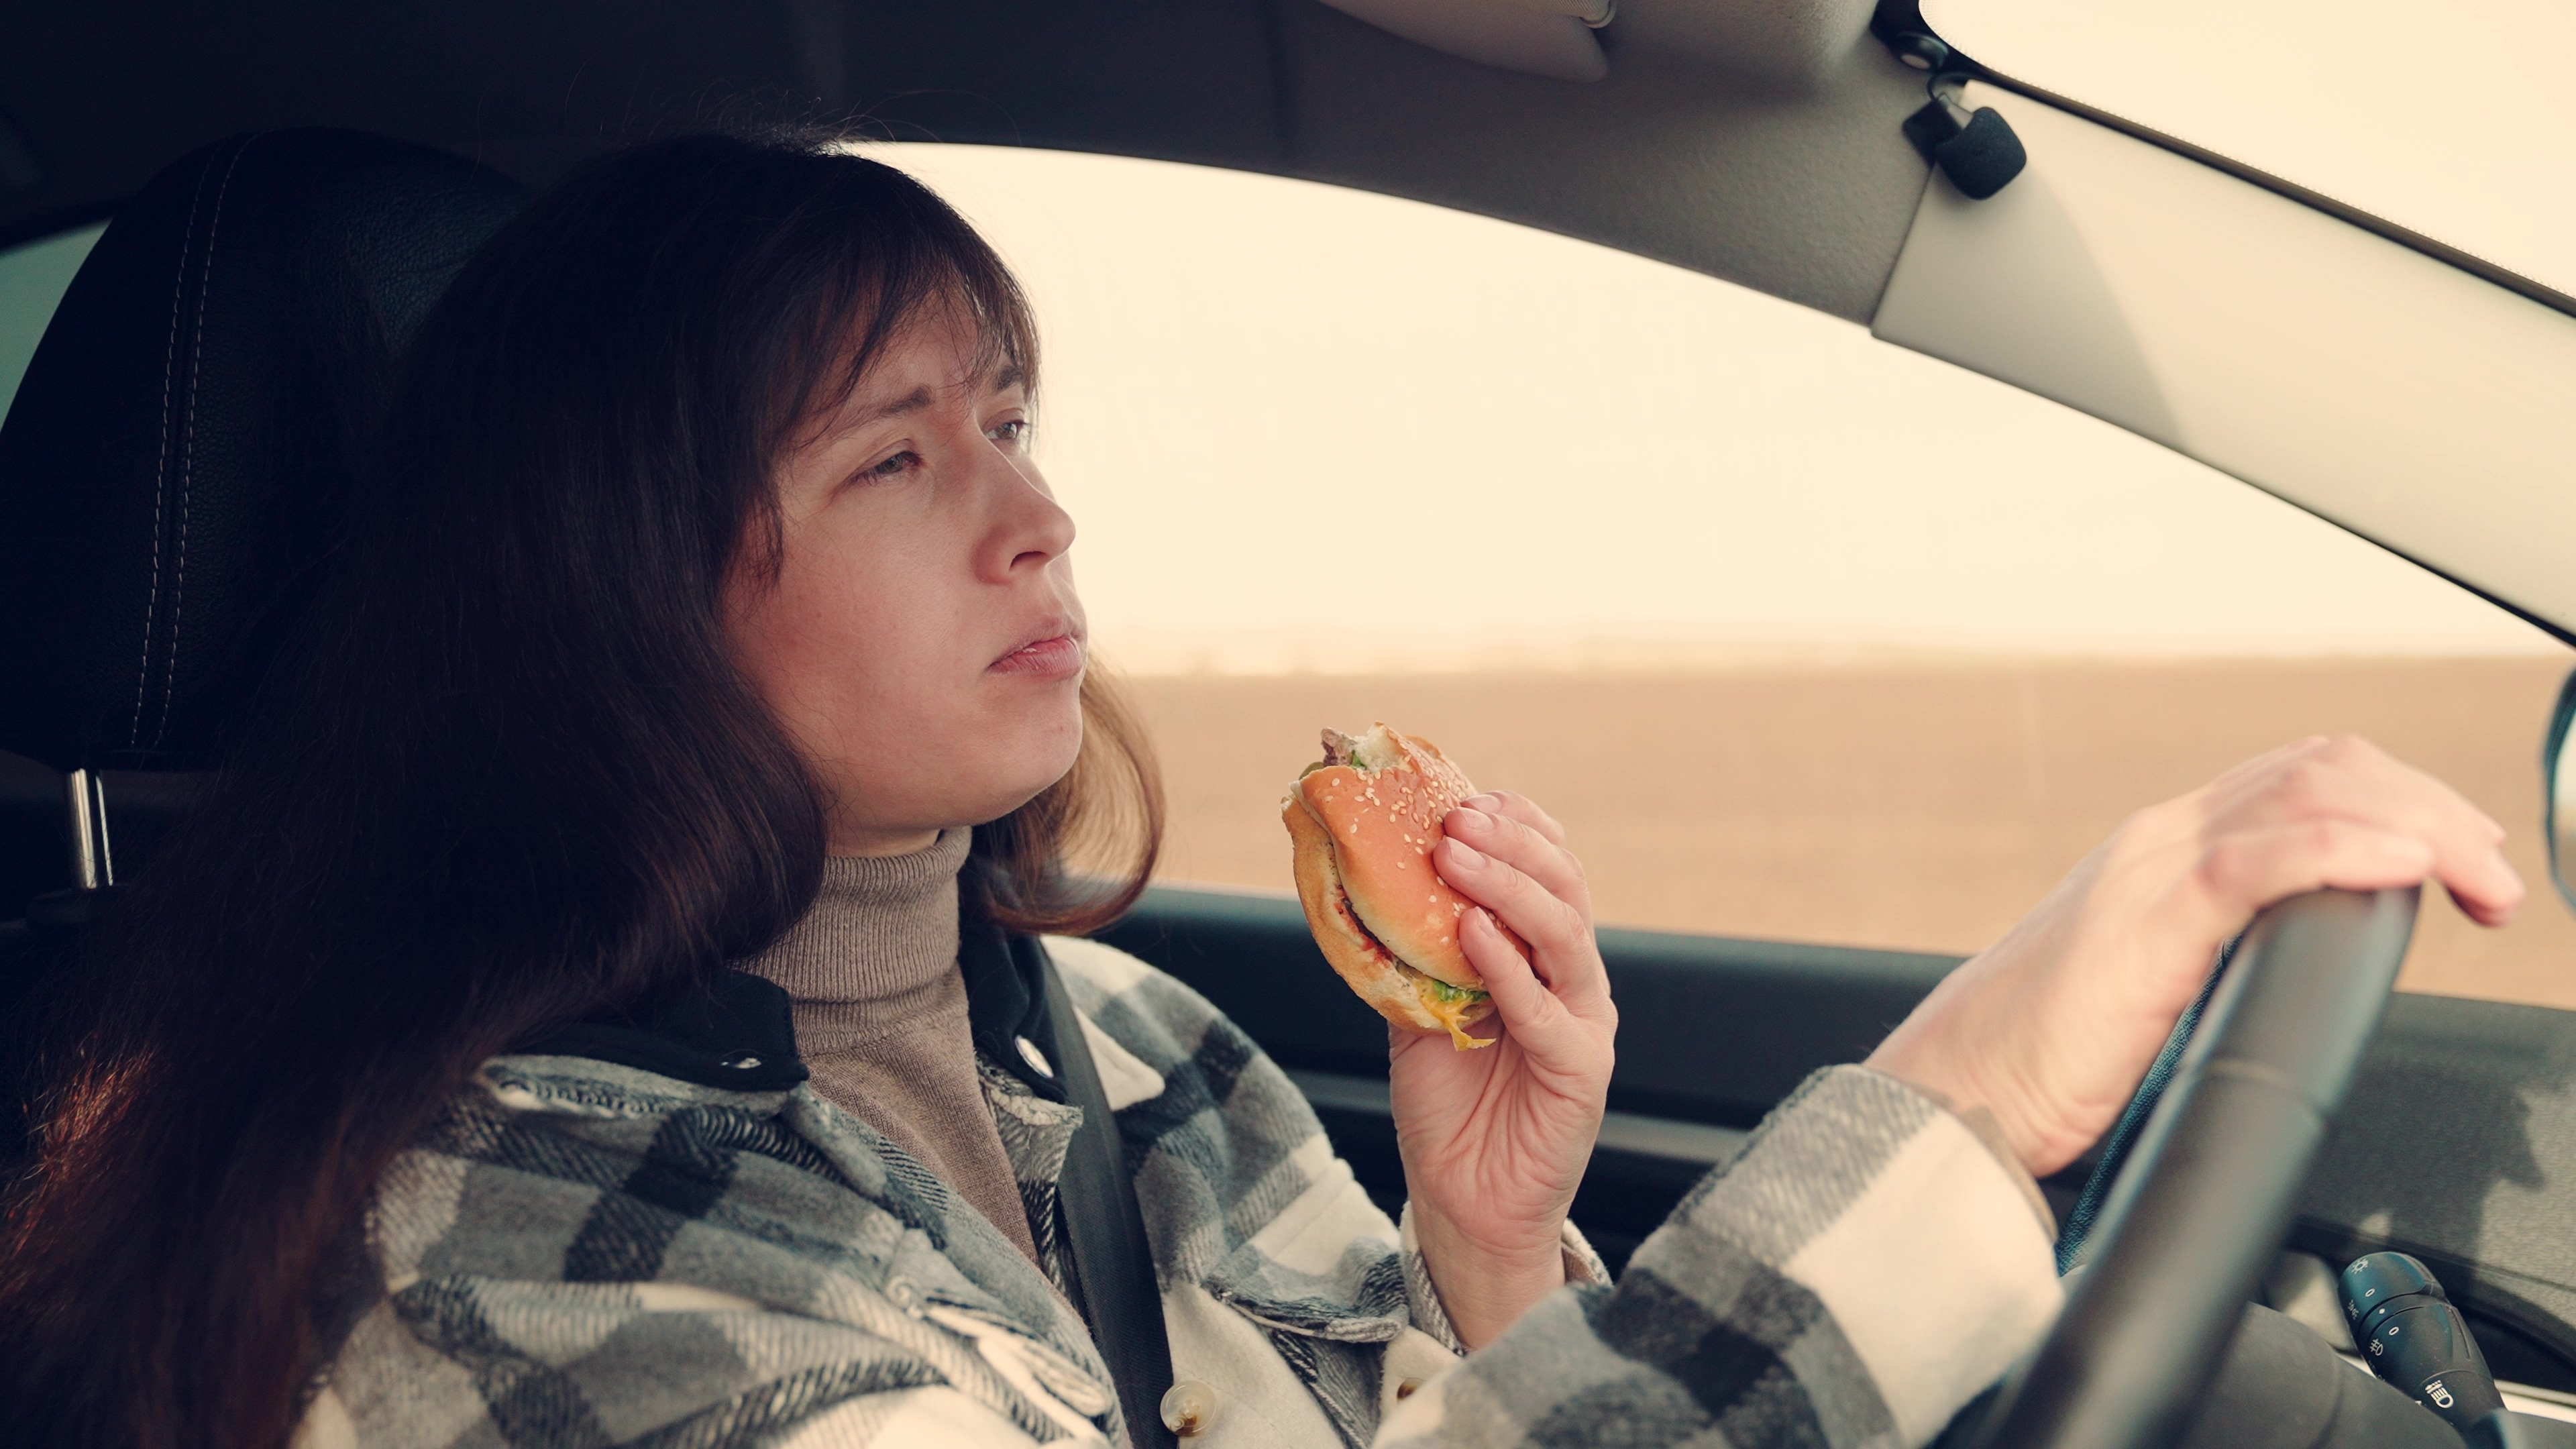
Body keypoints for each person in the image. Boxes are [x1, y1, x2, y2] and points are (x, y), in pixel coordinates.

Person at [0, 133, 2522, 1449]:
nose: (1039, 514)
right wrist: (1964, 1095)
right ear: (620, 591)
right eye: (901, 456)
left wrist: (1498, 1253)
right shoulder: (480, 1251)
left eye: (1013, 421)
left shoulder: (1129, 1056)